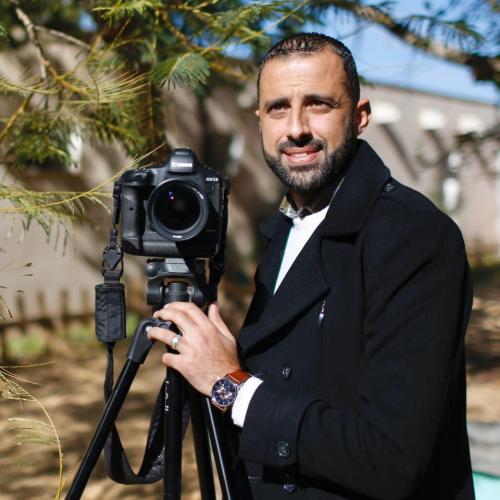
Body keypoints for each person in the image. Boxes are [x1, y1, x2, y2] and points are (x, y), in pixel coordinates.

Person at [148, 33, 474, 499]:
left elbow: (391, 458)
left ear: (359, 116)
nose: (296, 128)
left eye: (318, 104)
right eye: (278, 108)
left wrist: (229, 384)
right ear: (260, 120)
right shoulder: (284, 230)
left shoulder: (415, 235)